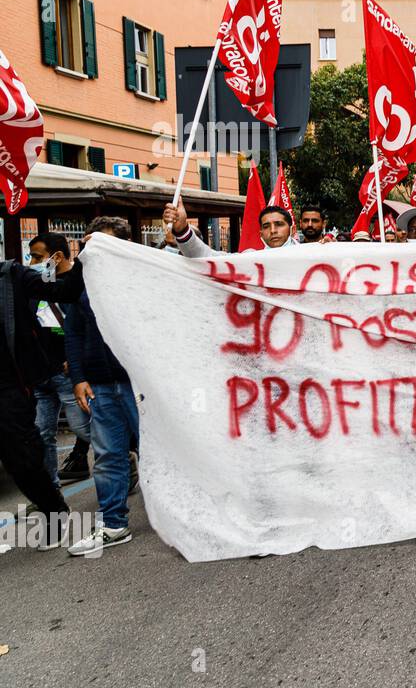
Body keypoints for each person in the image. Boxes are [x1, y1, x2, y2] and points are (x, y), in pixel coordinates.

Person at [0, 234, 85, 548]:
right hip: (28, 382)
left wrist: (87, 255)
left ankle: (54, 509)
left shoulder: (11, 277)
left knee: (22, 460)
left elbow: (67, 290)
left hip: (12, 387)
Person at [65, 217, 141, 556]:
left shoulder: (143, 280)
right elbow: (74, 332)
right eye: (90, 244)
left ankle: (189, 514)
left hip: (139, 383)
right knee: (109, 456)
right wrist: (79, 377)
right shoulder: (84, 285)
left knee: (163, 452)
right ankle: (113, 524)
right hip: (100, 384)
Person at [26, 234, 93, 492]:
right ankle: (50, 490)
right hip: (42, 373)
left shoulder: (79, 285)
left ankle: (124, 455)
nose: (32, 262)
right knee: (42, 434)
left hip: (68, 373)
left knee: (84, 430)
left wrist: (77, 362)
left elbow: (86, 328)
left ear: (58, 256)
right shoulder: (38, 286)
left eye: (38, 257)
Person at [166, 201, 295, 256]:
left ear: (292, 230)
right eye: (266, 226)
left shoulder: (312, 254)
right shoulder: (251, 259)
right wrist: (182, 230)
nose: (273, 230)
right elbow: (206, 257)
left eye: (279, 224)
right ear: (261, 233)